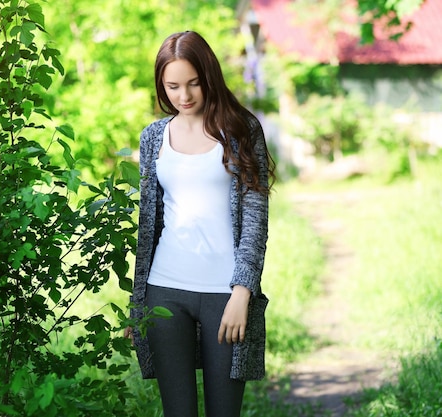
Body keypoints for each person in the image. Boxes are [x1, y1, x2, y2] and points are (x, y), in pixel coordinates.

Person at [125, 31, 275, 417]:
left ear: (209, 76)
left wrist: (244, 292)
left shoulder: (242, 130)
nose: (184, 95)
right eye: (172, 86)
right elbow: (149, 226)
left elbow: (256, 218)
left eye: (193, 83)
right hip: (165, 291)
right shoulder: (153, 137)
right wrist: (137, 302)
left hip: (225, 294)